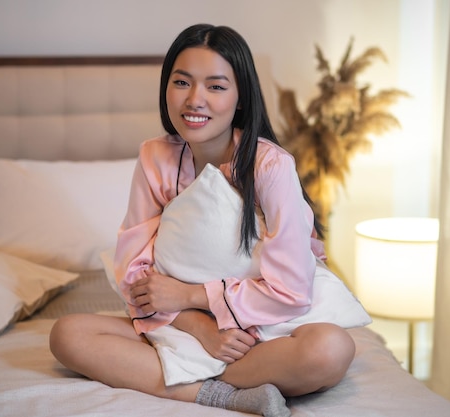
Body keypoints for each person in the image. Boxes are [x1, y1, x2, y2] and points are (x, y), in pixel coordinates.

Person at [49, 23, 356, 417]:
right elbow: (135, 272)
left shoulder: (271, 166)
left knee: (330, 349)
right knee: (67, 335)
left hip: (264, 331)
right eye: (182, 82)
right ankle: (224, 394)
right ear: (166, 88)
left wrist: (193, 295)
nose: (195, 100)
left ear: (240, 97)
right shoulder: (154, 158)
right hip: (179, 325)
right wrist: (199, 325)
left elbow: (292, 291)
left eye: (215, 86)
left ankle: (190, 381)